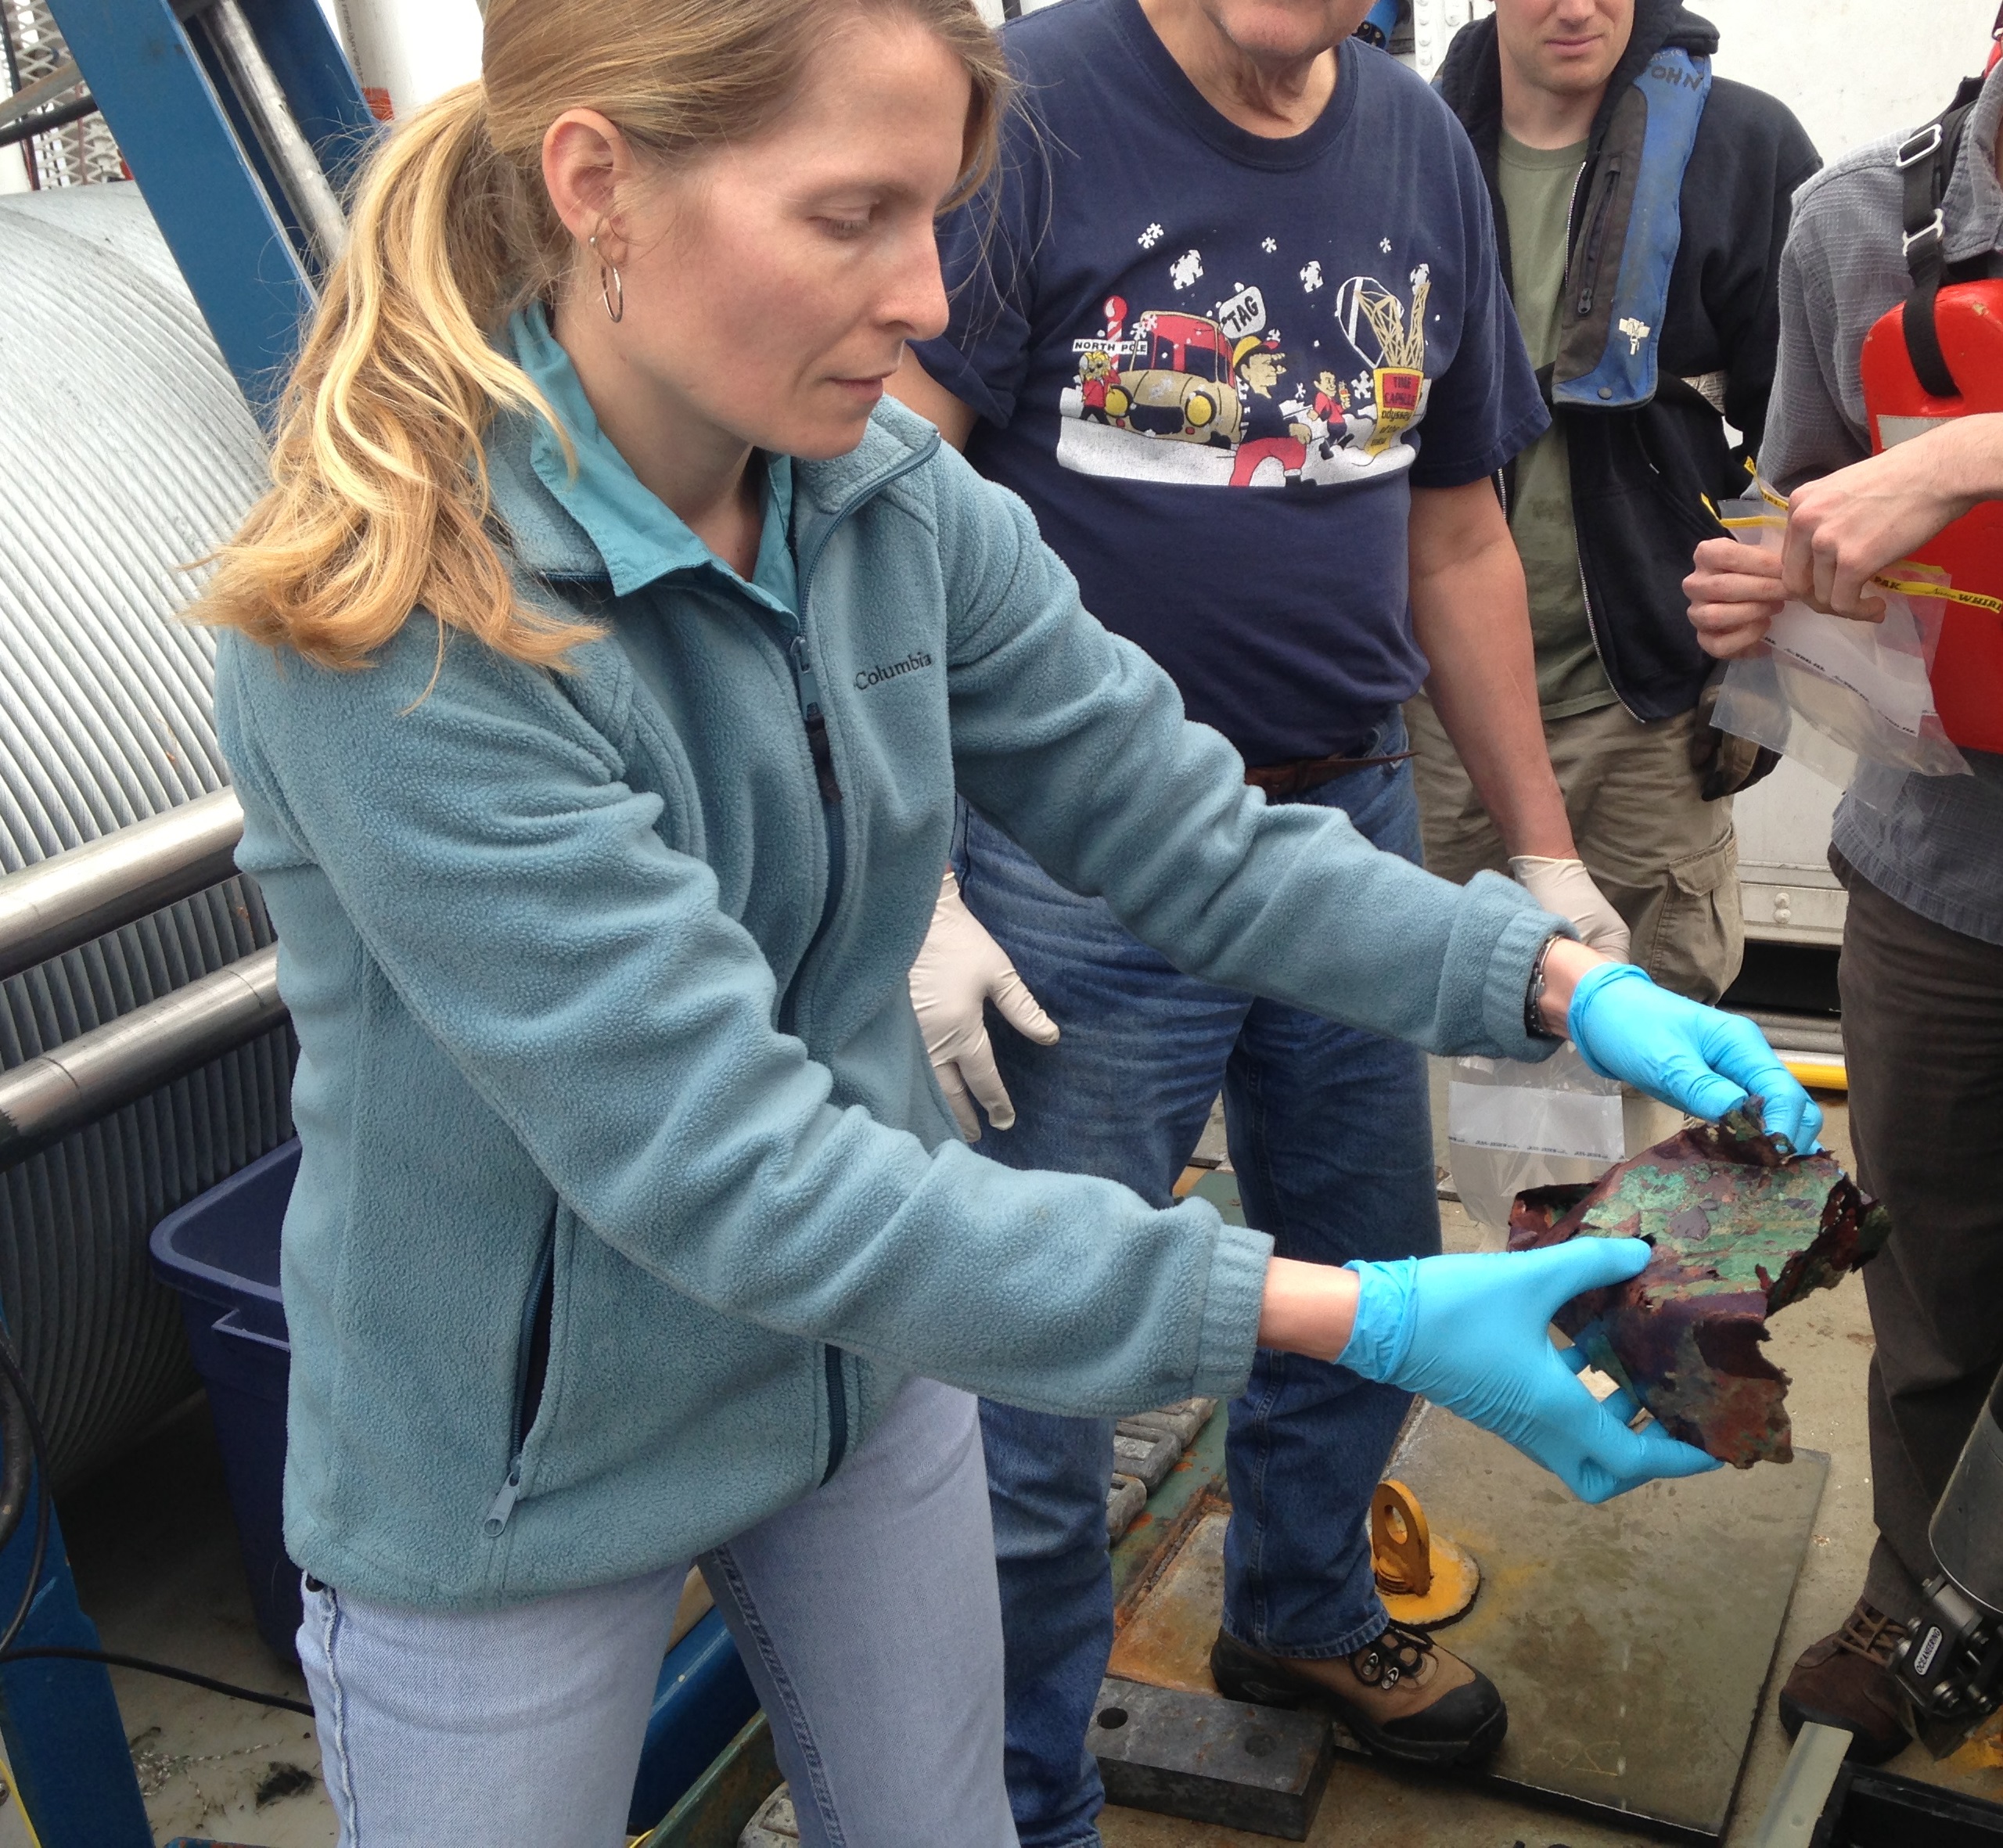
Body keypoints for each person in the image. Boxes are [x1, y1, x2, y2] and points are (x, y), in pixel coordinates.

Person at [198, 1, 1818, 1842]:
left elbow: (1194, 840)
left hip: (846, 1383)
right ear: (601, 188)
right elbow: (732, 1174)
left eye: (939, 213)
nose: (920, 293)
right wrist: (1352, 1315)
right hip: (511, 1468)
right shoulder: (405, 621)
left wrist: (1544, 974)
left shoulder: (888, 508)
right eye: (853, 216)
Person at [890, 1, 1637, 1837]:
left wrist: (1537, 852)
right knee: (1037, 1367)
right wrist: (914, 869)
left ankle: (1294, 1605)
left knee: (1369, 1261)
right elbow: (875, 495)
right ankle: (1015, 1786)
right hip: (1070, 869)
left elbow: (1449, 527)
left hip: (1341, 824)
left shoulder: (1409, 143)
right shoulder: (1032, 110)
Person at [1684, 52, 2003, 1765]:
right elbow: (1802, 506)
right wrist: (1765, 577)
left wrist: (1974, 446)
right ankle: (1917, 1593)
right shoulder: (1851, 227)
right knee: (1937, 1277)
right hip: (1942, 880)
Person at [1416, 0, 1819, 1004]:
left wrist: (1755, 679)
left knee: (1659, 1054)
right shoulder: (1401, 150)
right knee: (1444, 1035)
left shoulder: (1747, 146)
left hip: (1643, 702)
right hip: (1432, 710)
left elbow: (1818, 439)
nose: (1576, 6)